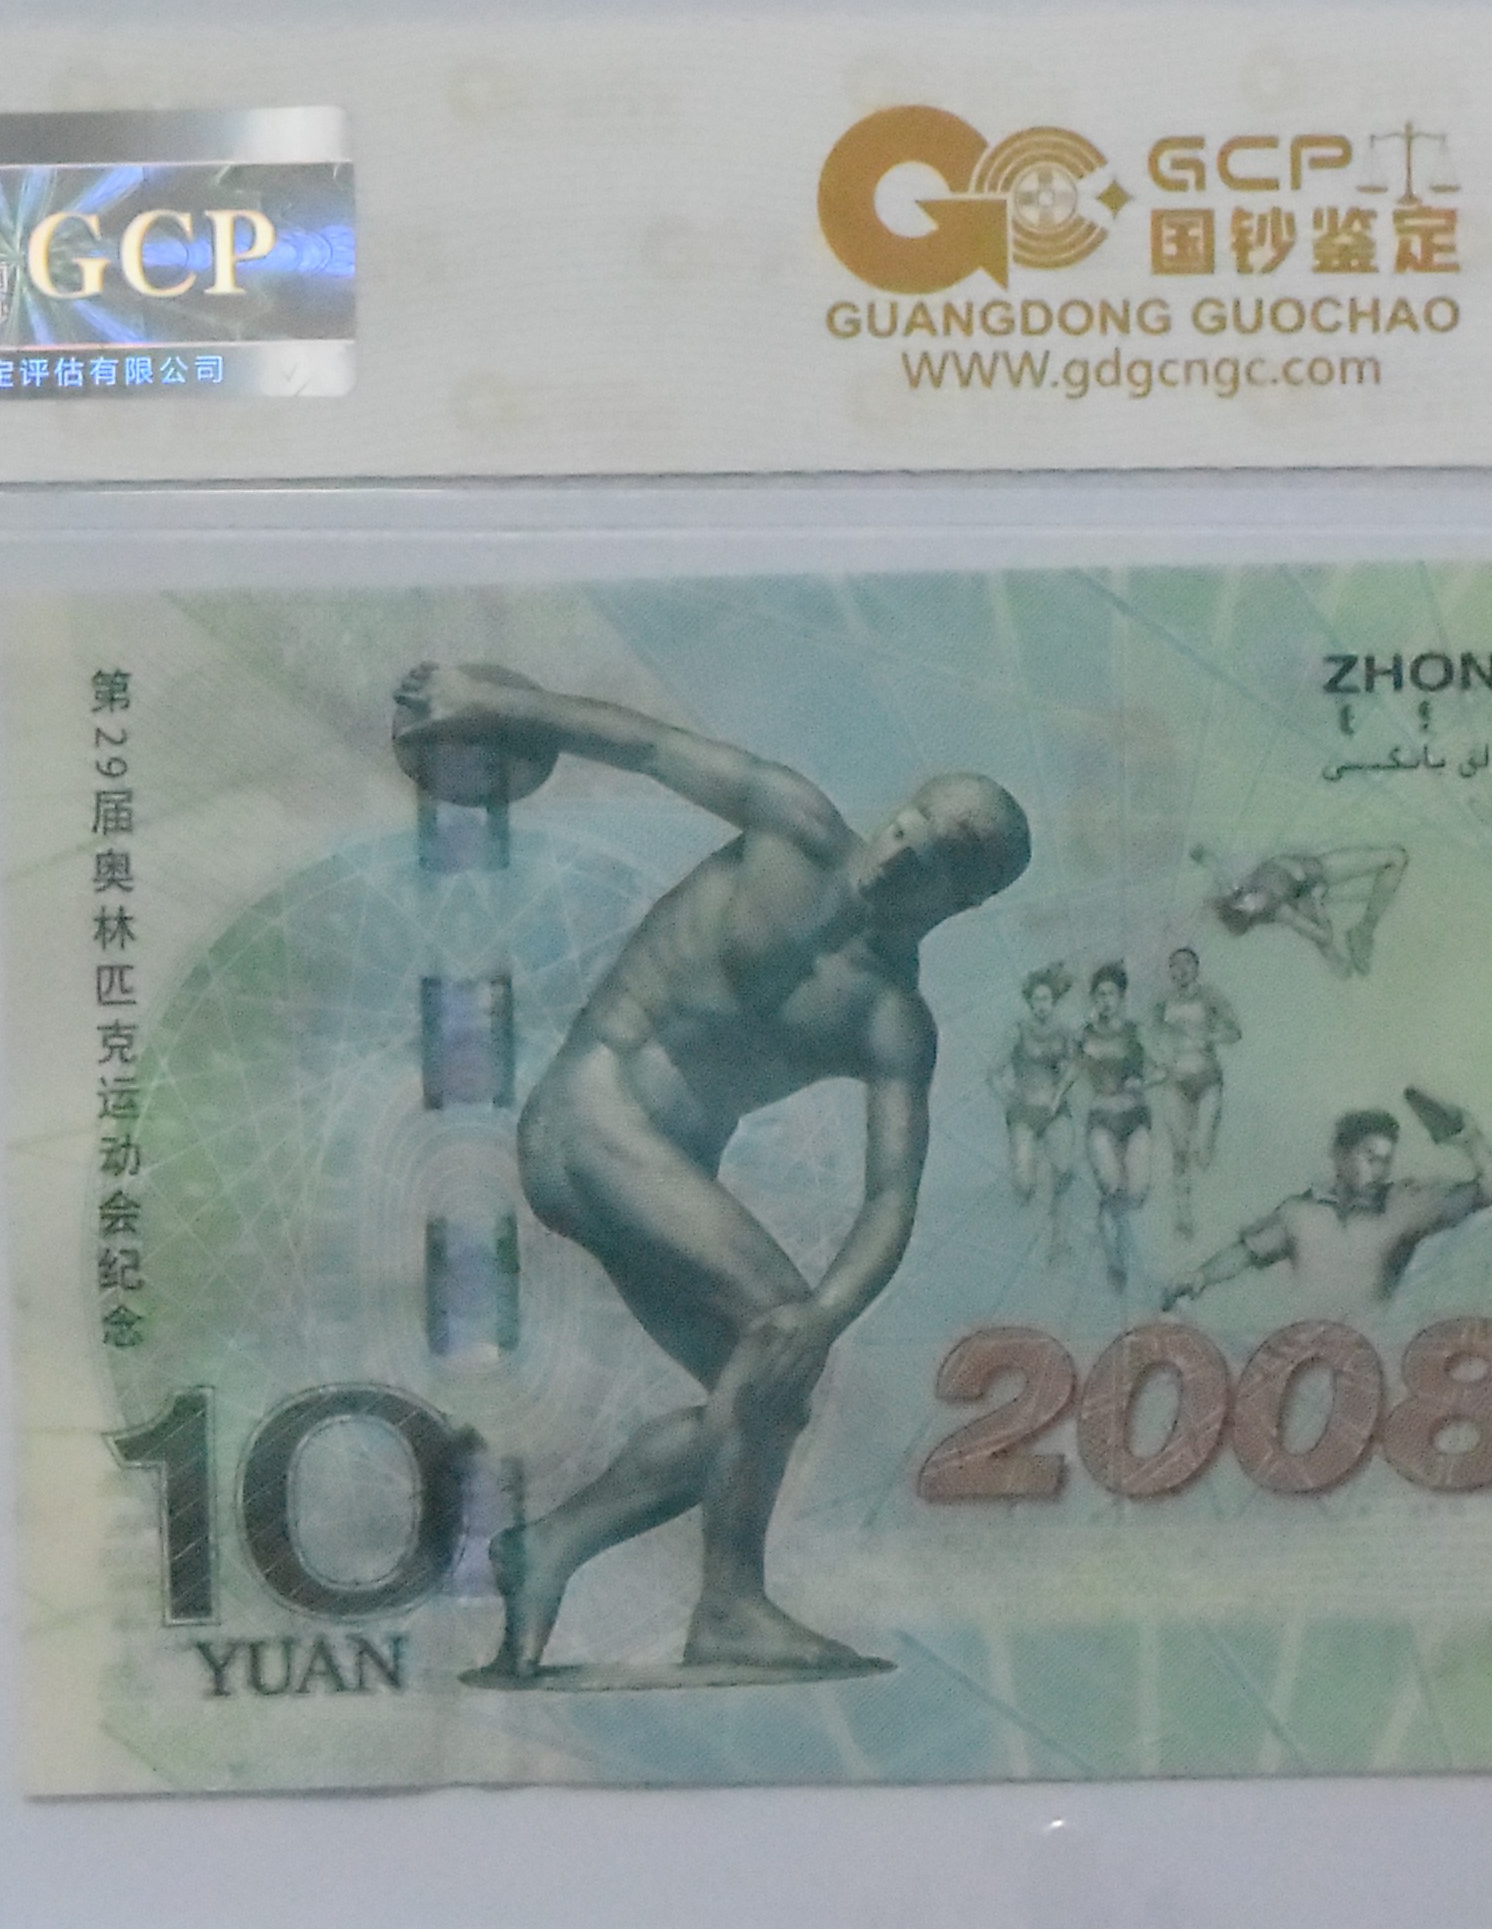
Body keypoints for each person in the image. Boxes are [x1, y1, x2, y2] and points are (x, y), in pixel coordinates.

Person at [391, 663, 1031, 1686]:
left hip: (645, 1173)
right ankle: (729, 1607)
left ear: (965, 897)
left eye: (936, 853)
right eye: (907, 820)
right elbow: (645, 747)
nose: (900, 848)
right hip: (589, 1112)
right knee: (774, 1322)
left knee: (766, 1389)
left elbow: (891, 1197)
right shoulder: (793, 826)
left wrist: (824, 1316)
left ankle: (547, 1548)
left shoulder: (889, 1019)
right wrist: (501, 703)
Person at [1162, 1089, 1492, 1318]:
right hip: (1307, 1354)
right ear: (1340, 1155)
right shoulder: (1299, 1213)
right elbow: (1245, 1253)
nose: (1379, 1170)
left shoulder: (1404, 1206)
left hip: (1377, 1354)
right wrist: (1200, 1276)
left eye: (1386, 1160)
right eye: (1369, 1157)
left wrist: (1470, 1138)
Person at [1199, 843, 1410, 977]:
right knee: (1332, 955)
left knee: (1396, 857)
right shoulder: (1280, 910)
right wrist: (1317, 901)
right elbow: (1323, 935)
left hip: (1316, 868)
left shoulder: (1238, 888)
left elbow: (1215, 868)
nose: (1247, 899)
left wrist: (1204, 856)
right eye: (1247, 908)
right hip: (1312, 886)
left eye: (1240, 900)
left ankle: (1363, 930)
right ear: (1251, 918)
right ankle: (1340, 956)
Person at [1148, 947, 1241, 1238]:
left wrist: (1208, 1036)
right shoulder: (1163, 1002)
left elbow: (1235, 1031)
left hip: (1207, 1079)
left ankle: (1219, 1202)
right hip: (1175, 1081)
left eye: (1186, 964)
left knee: (1202, 1151)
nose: (1181, 970)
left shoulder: (1210, 996)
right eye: (1174, 965)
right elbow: (1147, 1037)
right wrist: (1158, 1063)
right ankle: (1183, 1215)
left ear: (1197, 967)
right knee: (1179, 1150)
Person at [1072, 962, 1152, 1291]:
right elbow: (1070, 1072)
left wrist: (1142, 1081)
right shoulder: (1084, 1036)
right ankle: (1114, 1260)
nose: (1105, 1001)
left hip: (1135, 1117)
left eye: (1111, 994)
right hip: (1102, 1117)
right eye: (1100, 995)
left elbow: (1157, 1066)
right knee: (1112, 1188)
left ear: (1121, 998)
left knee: (1137, 1193)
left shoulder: (1136, 1032)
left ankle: (1114, 1226)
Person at [993, 964, 1080, 1265]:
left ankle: (1059, 1239)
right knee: (1024, 1184)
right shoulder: (1018, 1030)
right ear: (1029, 1001)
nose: (1042, 1005)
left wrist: (1059, 1093)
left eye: (1047, 999)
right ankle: (1023, 1236)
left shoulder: (1064, 1032)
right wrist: (1008, 1100)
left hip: (1054, 1110)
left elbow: (1073, 1066)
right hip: (1024, 1112)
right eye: (1037, 1000)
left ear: (1054, 1001)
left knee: (1064, 1170)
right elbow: (993, 1072)